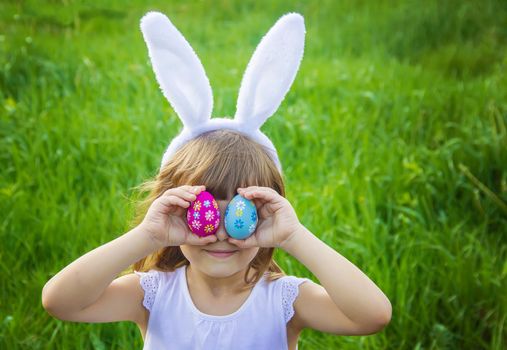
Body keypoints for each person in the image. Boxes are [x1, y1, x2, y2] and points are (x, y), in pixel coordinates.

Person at [41, 11, 392, 350]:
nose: (221, 233)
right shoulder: (153, 295)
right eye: (203, 210)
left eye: (241, 214)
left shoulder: (284, 300)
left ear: (267, 214)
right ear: (174, 210)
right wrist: (148, 236)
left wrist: (295, 237)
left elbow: (372, 316)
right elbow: (60, 301)